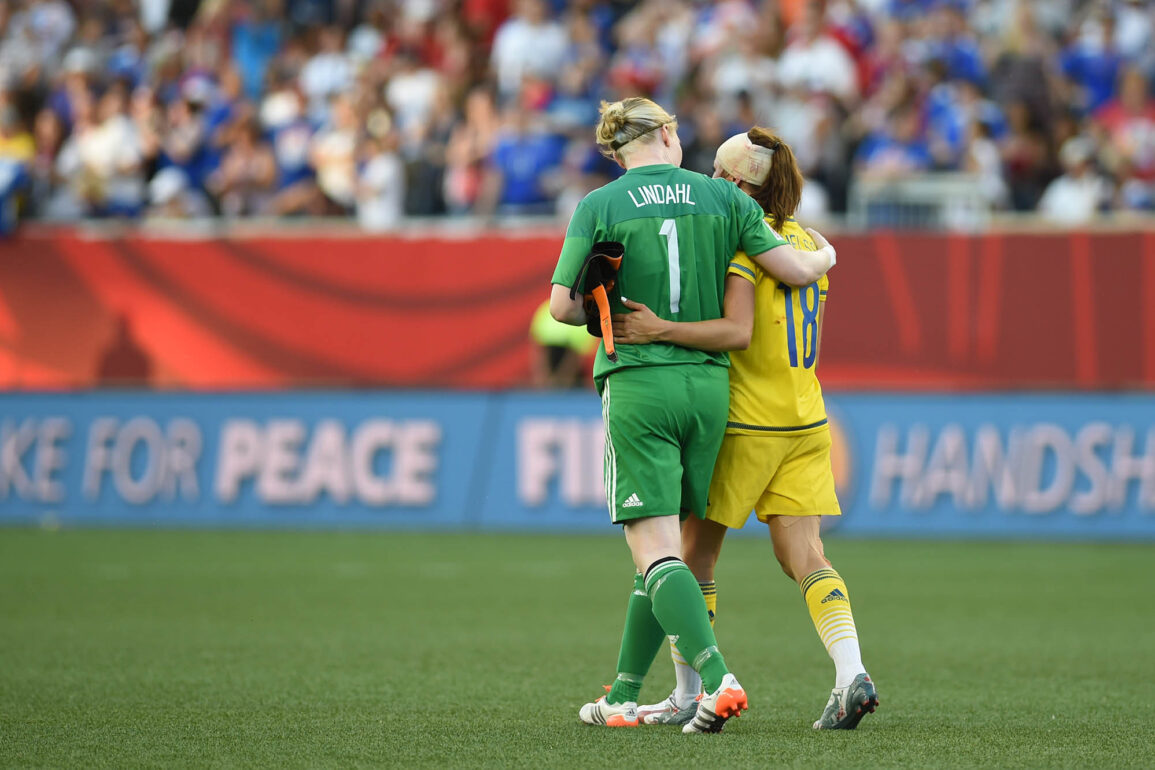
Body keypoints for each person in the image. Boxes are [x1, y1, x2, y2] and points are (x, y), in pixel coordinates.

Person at [548, 97, 836, 734]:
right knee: (669, 547)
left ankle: (715, 678)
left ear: (614, 150)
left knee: (653, 547)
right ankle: (625, 692)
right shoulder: (726, 200)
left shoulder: (600, 204)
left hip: (641, 385)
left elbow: (562, 311)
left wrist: (608, 304)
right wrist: (826, 257)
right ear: (669, 135)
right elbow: (791, 267)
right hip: (709, 392)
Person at [612, 128, 878, 731]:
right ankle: (849, 672)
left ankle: (688, 692)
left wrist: (661, 331)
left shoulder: (741, 244)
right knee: (806, 557)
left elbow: (735, 332)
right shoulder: (809, 242)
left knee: (689, 557)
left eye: (716, 172)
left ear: (735, 185)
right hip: (808, 420)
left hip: (745, 423)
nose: (706, 180)